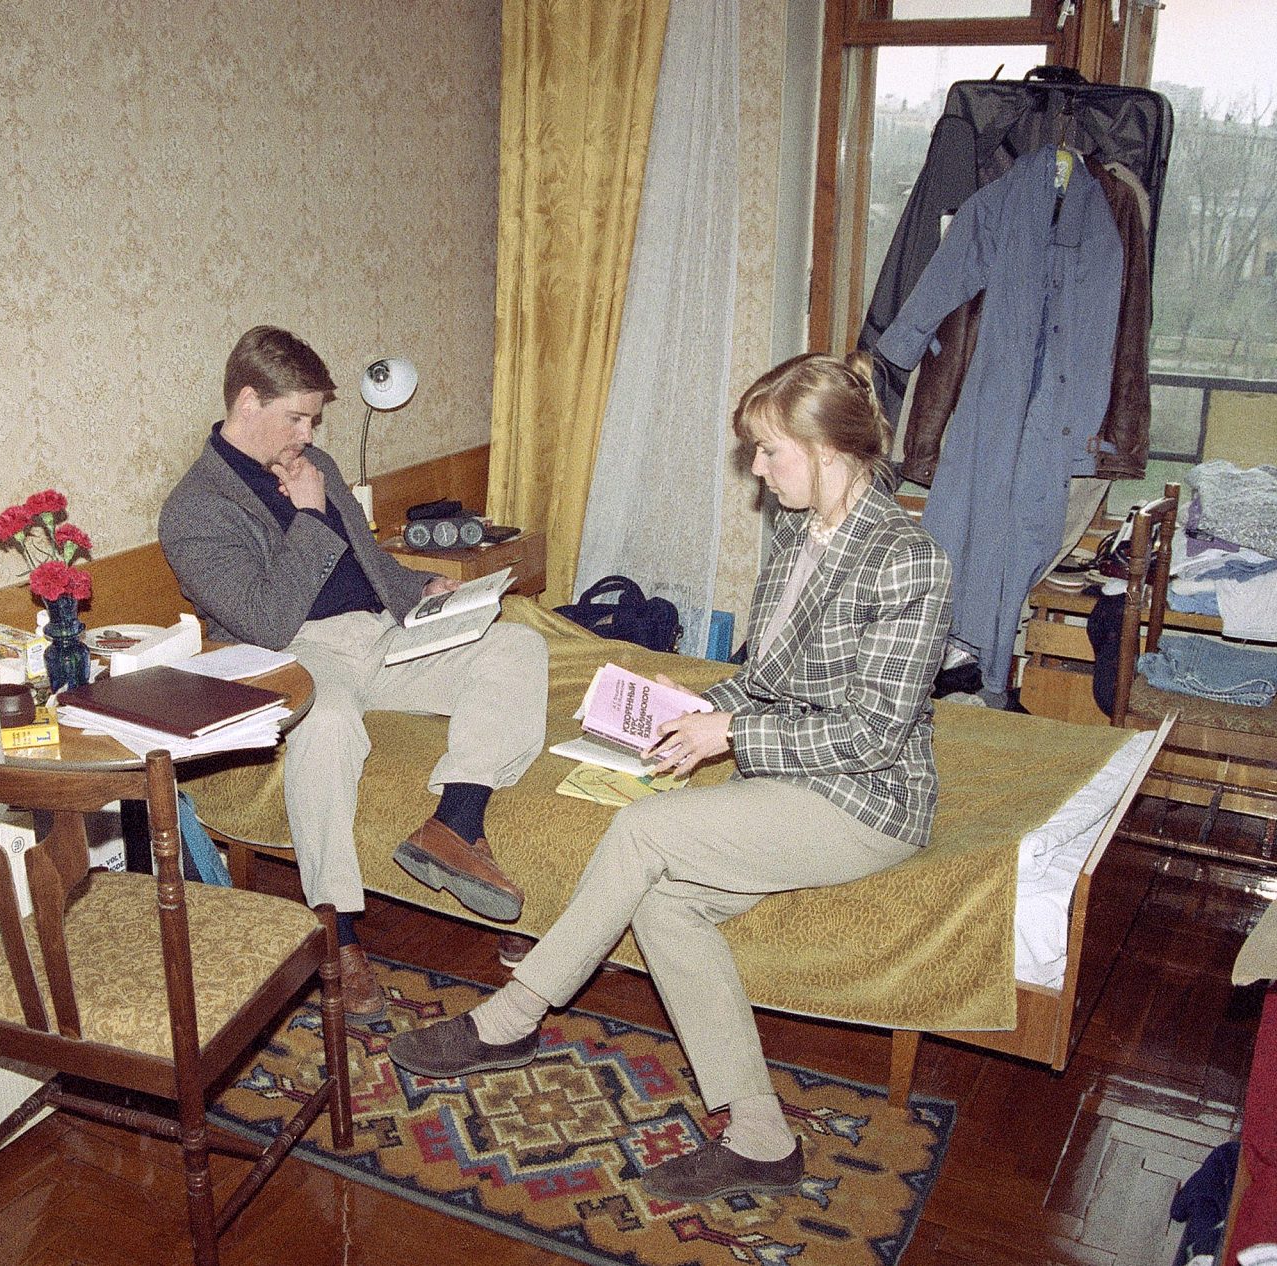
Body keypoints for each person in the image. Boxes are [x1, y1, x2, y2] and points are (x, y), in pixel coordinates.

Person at [386, 352, 953, 1203]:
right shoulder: (802, 531)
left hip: (866, 799)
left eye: (768, 451)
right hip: (796, 773)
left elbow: (873, 733)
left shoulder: (908, 561)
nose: (756, 471)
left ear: (827, 448)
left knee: (645, 831)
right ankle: (763, 1137)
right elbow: (773, 678)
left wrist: (734, 730)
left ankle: (511, 1019)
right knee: (664, 900)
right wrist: (693, 704)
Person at [159, 326, 550, 1024]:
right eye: (297, 417)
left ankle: (455, 823)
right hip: (294, 655)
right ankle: (336, 933)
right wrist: (308, 516)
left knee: (515, 648)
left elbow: (362, 561)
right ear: (248, 402)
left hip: (379, 633)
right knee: (329, 723)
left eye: (313, 419)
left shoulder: (318, 464)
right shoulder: (194, 510)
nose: (308, 434)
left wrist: (417, 590)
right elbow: (266, 619)